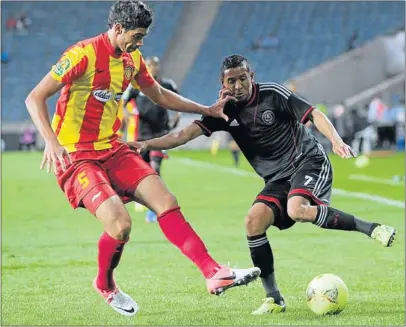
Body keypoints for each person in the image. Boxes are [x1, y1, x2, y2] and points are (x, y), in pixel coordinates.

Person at [24, 4, 260, 317]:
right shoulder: (82, 54)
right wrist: (52, 143)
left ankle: (213, 272)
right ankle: (105, 285)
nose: (140, 44)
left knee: (166, 200)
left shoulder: (131, 59)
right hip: (77, 156)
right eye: (136, 36)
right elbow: (35, 97)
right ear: (118, 28)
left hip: (112, 148)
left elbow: (159, 94)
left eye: (144, 37)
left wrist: (206, 109)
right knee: (121, 226)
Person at [131, 54, 397, 315]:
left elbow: (314, 114)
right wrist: (145, 144)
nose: (237, 86)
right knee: (253, 222)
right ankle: (274, 299)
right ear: (222, 84)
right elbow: (181, 135)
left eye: (242, 79)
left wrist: (337, 141)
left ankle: (371, 228)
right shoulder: (222, 112)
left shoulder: (273, 94)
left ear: (252, 77)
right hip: (277, 178)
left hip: (308, 161)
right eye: (231, 81)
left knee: (297, 209)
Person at [122, 56, 181, 222]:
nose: (153, 67)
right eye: (149, 65)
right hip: (140, 137)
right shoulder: (136, 85)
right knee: (141, 172)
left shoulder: (167, 85)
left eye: (155, 64)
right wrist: (126, 118)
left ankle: (155, 210)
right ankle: (143, 200)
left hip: (160, 136)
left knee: (155, 169)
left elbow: (178, 102)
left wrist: (176, 118)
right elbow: (122, 103)